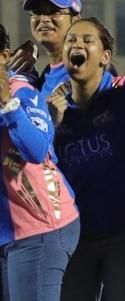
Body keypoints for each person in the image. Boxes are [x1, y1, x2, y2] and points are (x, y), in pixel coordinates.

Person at [0, 19, 80, 301]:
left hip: (40, 228)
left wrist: (8, 103)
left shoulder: (21, 91)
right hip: (3, 233)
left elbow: (37, 150)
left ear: (4, 56)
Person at [48, 18, 125, 301]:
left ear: (105, 57)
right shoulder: (52, 112)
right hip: (75, 239)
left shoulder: (120, 101)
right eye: (71, 40)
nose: (76, 44)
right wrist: (50, 125)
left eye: (87, 40)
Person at [23, 0, 82, 98]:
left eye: (54, 11)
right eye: (37, 12)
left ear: (75, 20)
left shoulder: (86, 70)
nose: (44, 19)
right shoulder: (45, 76)